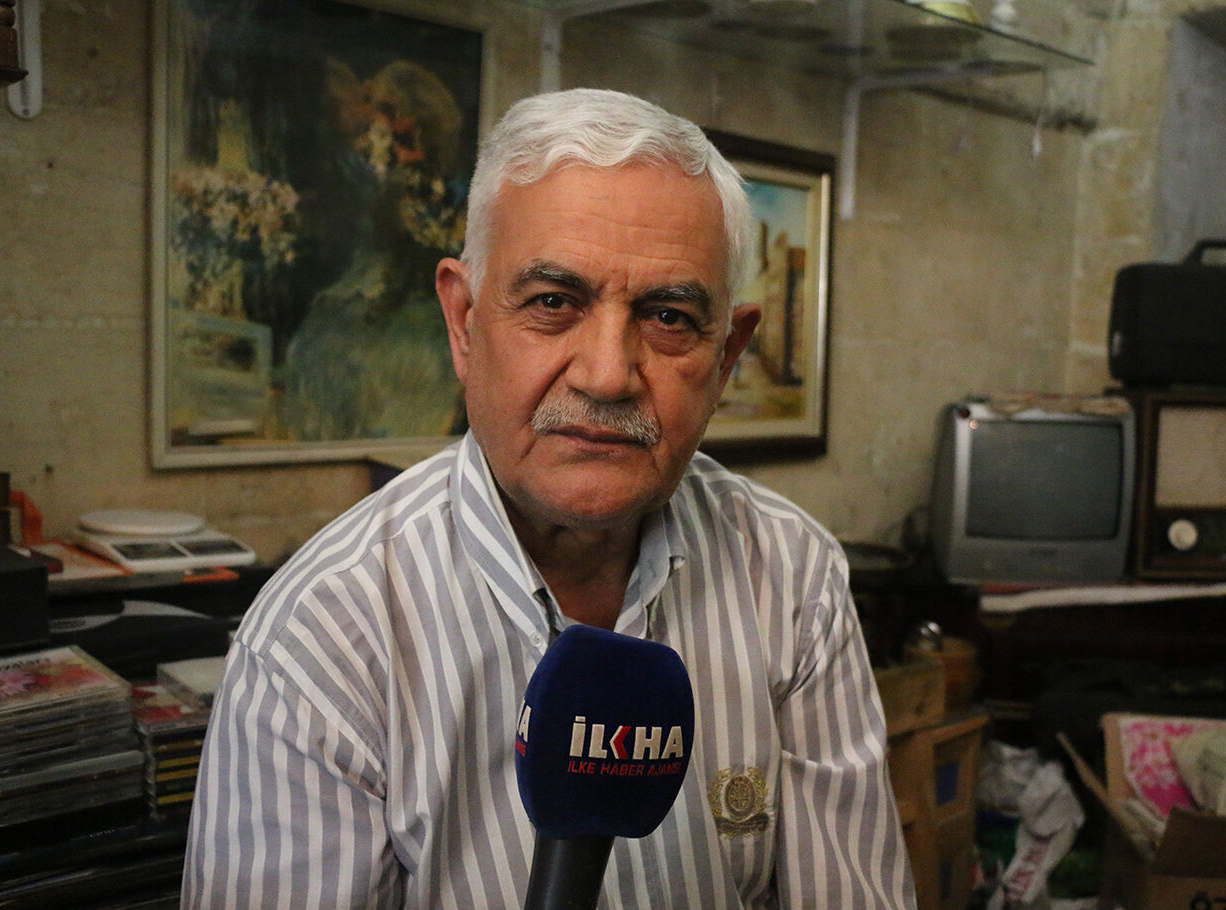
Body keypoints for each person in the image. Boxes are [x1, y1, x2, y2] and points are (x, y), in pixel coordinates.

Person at [182, 87, 916, 909]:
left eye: (669, 317)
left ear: (727, 356)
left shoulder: (792, 574)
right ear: (463, 322)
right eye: (553, 303)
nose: (606, 375)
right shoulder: (322, 639)